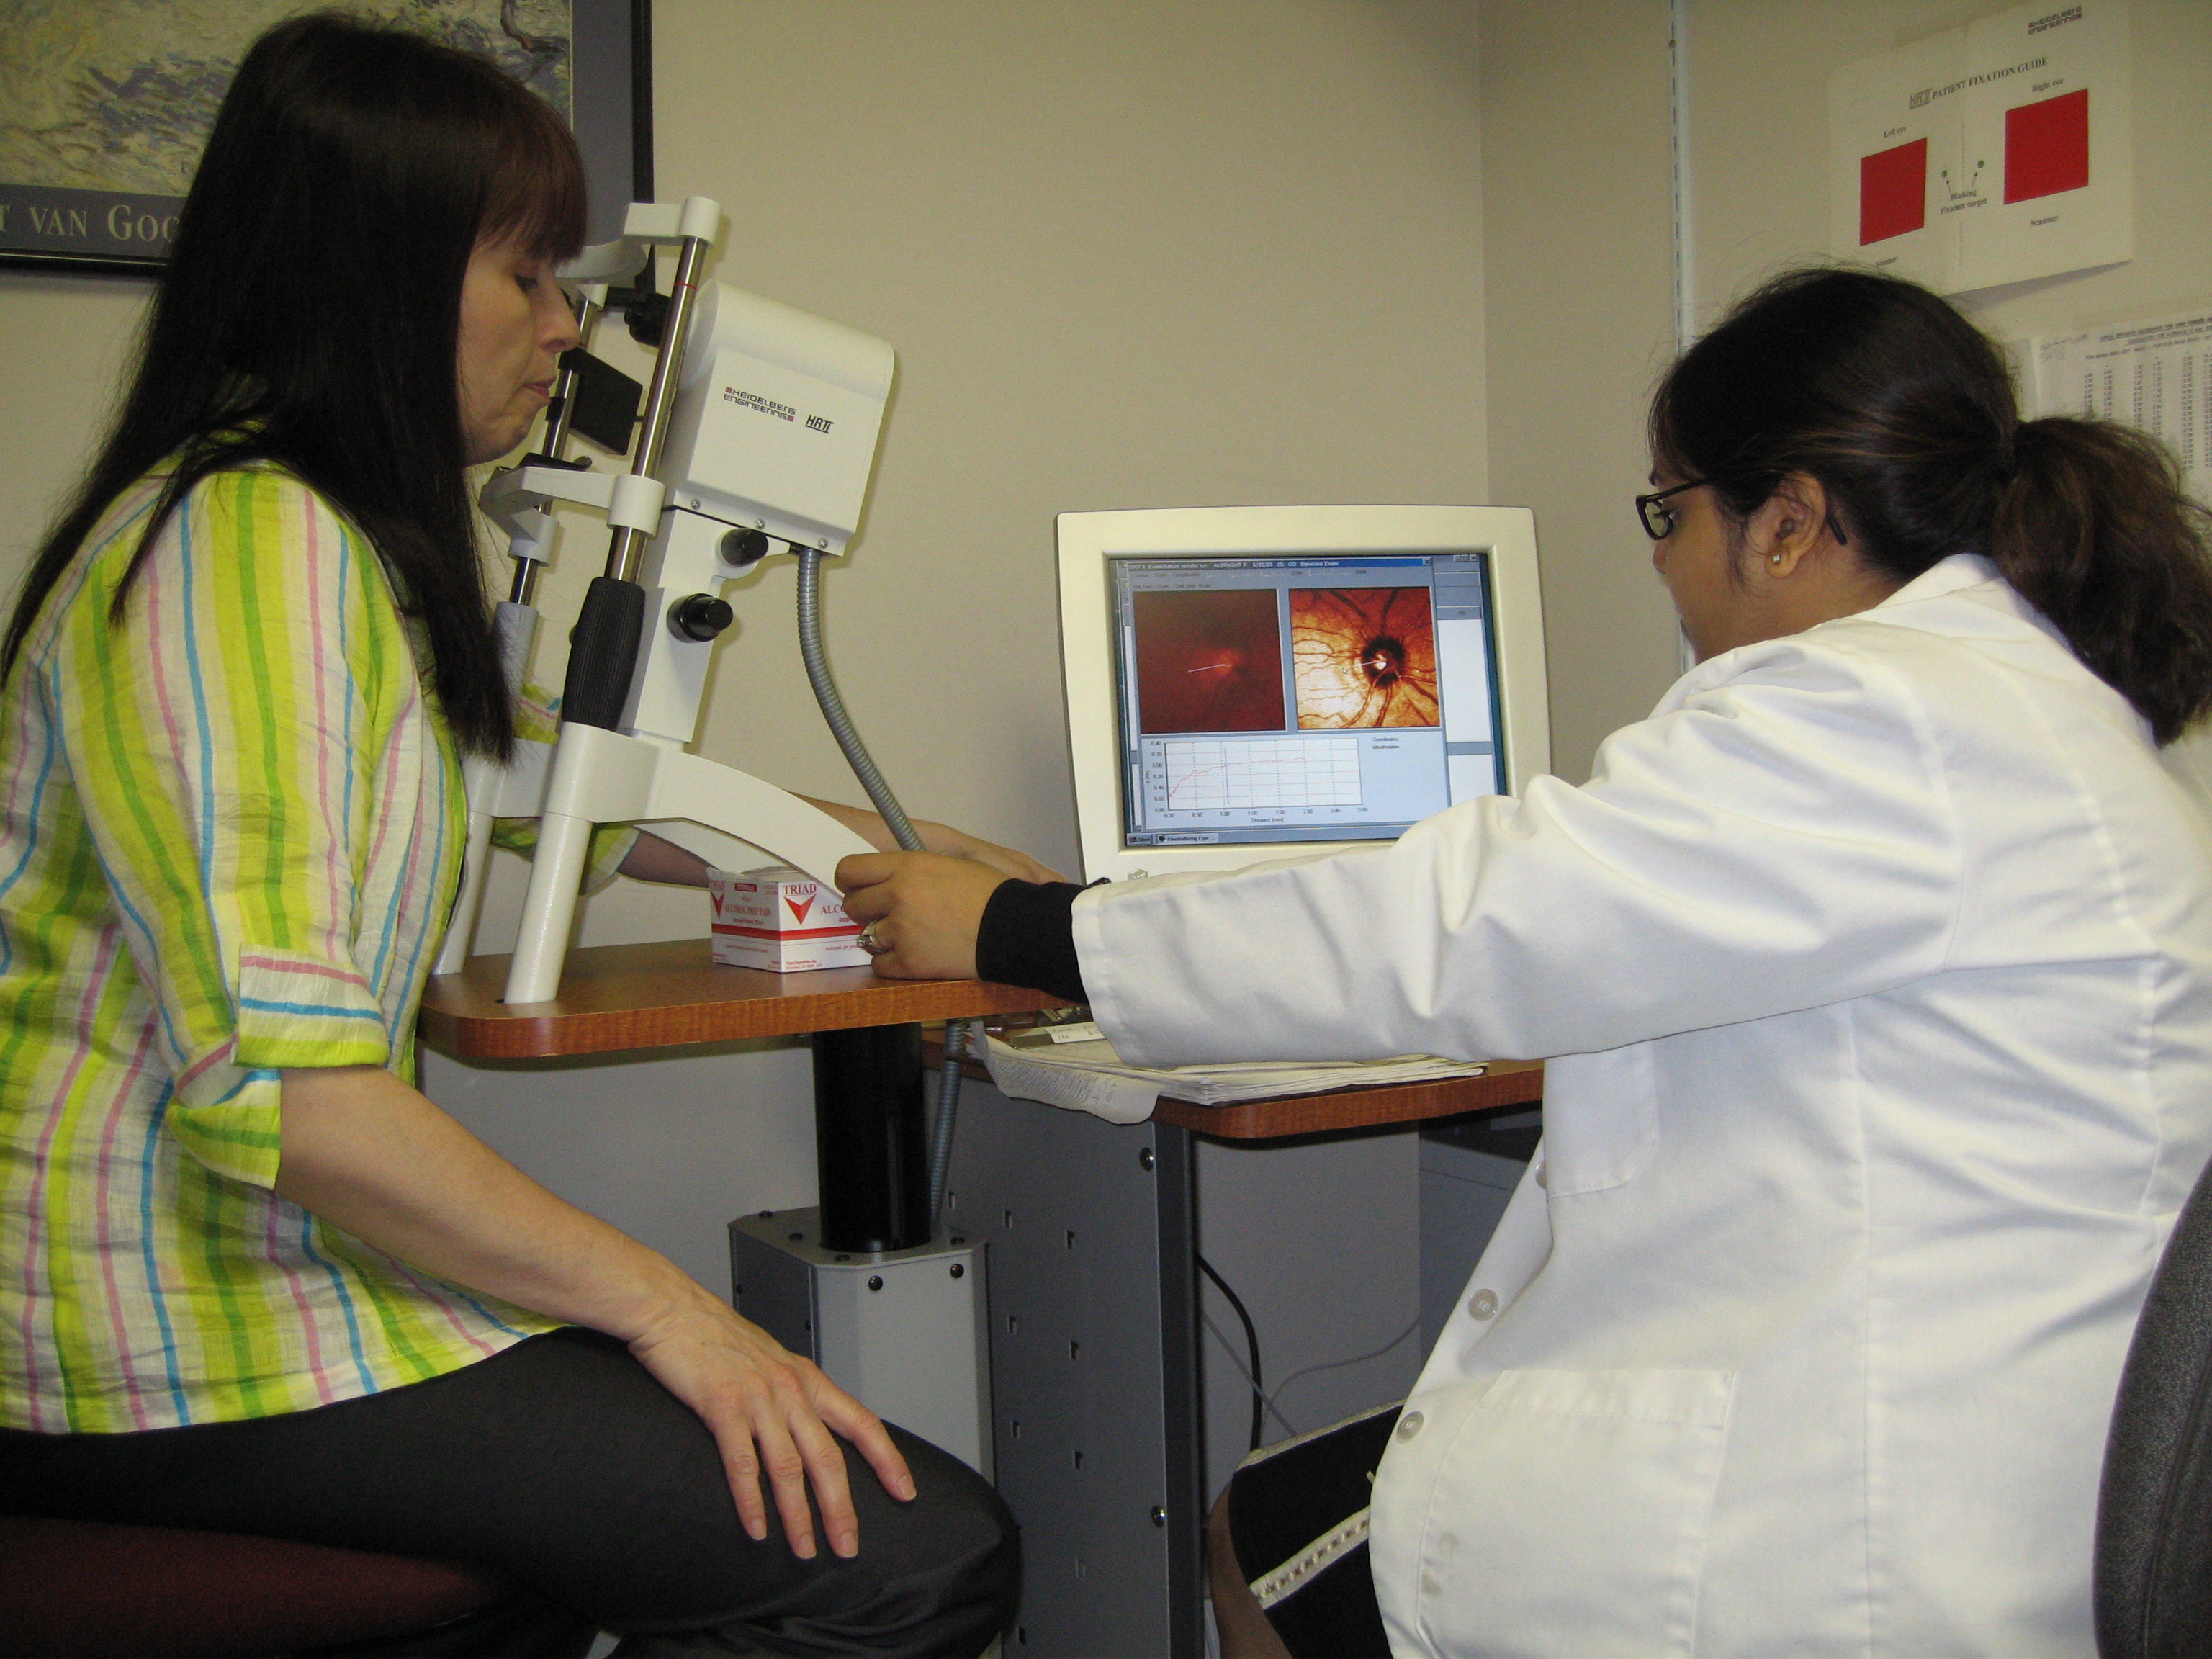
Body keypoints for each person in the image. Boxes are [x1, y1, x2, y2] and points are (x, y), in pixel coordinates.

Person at [837, 266, 2212, 1656]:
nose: (1662, 561)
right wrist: (1083, 909)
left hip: (1858, 1532)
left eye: (1669, 512)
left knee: (1259, 1529)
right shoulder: (2034, 715)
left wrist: (1029, 934)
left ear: (1788, 522)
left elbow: (1459, 925)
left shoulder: (1872, 713)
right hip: (2017, 1462)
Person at [0, 15, 1034, 1655]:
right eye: (528, 278)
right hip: (156, 1335)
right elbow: (293, 1099)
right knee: (914, 1558)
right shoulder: (246, 551)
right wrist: (678, 1312)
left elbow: (598, 799)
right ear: (379, 276)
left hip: (277, 1285)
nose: (564, 327)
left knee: (630, 1555)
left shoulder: (346, 560)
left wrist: (999, 892)